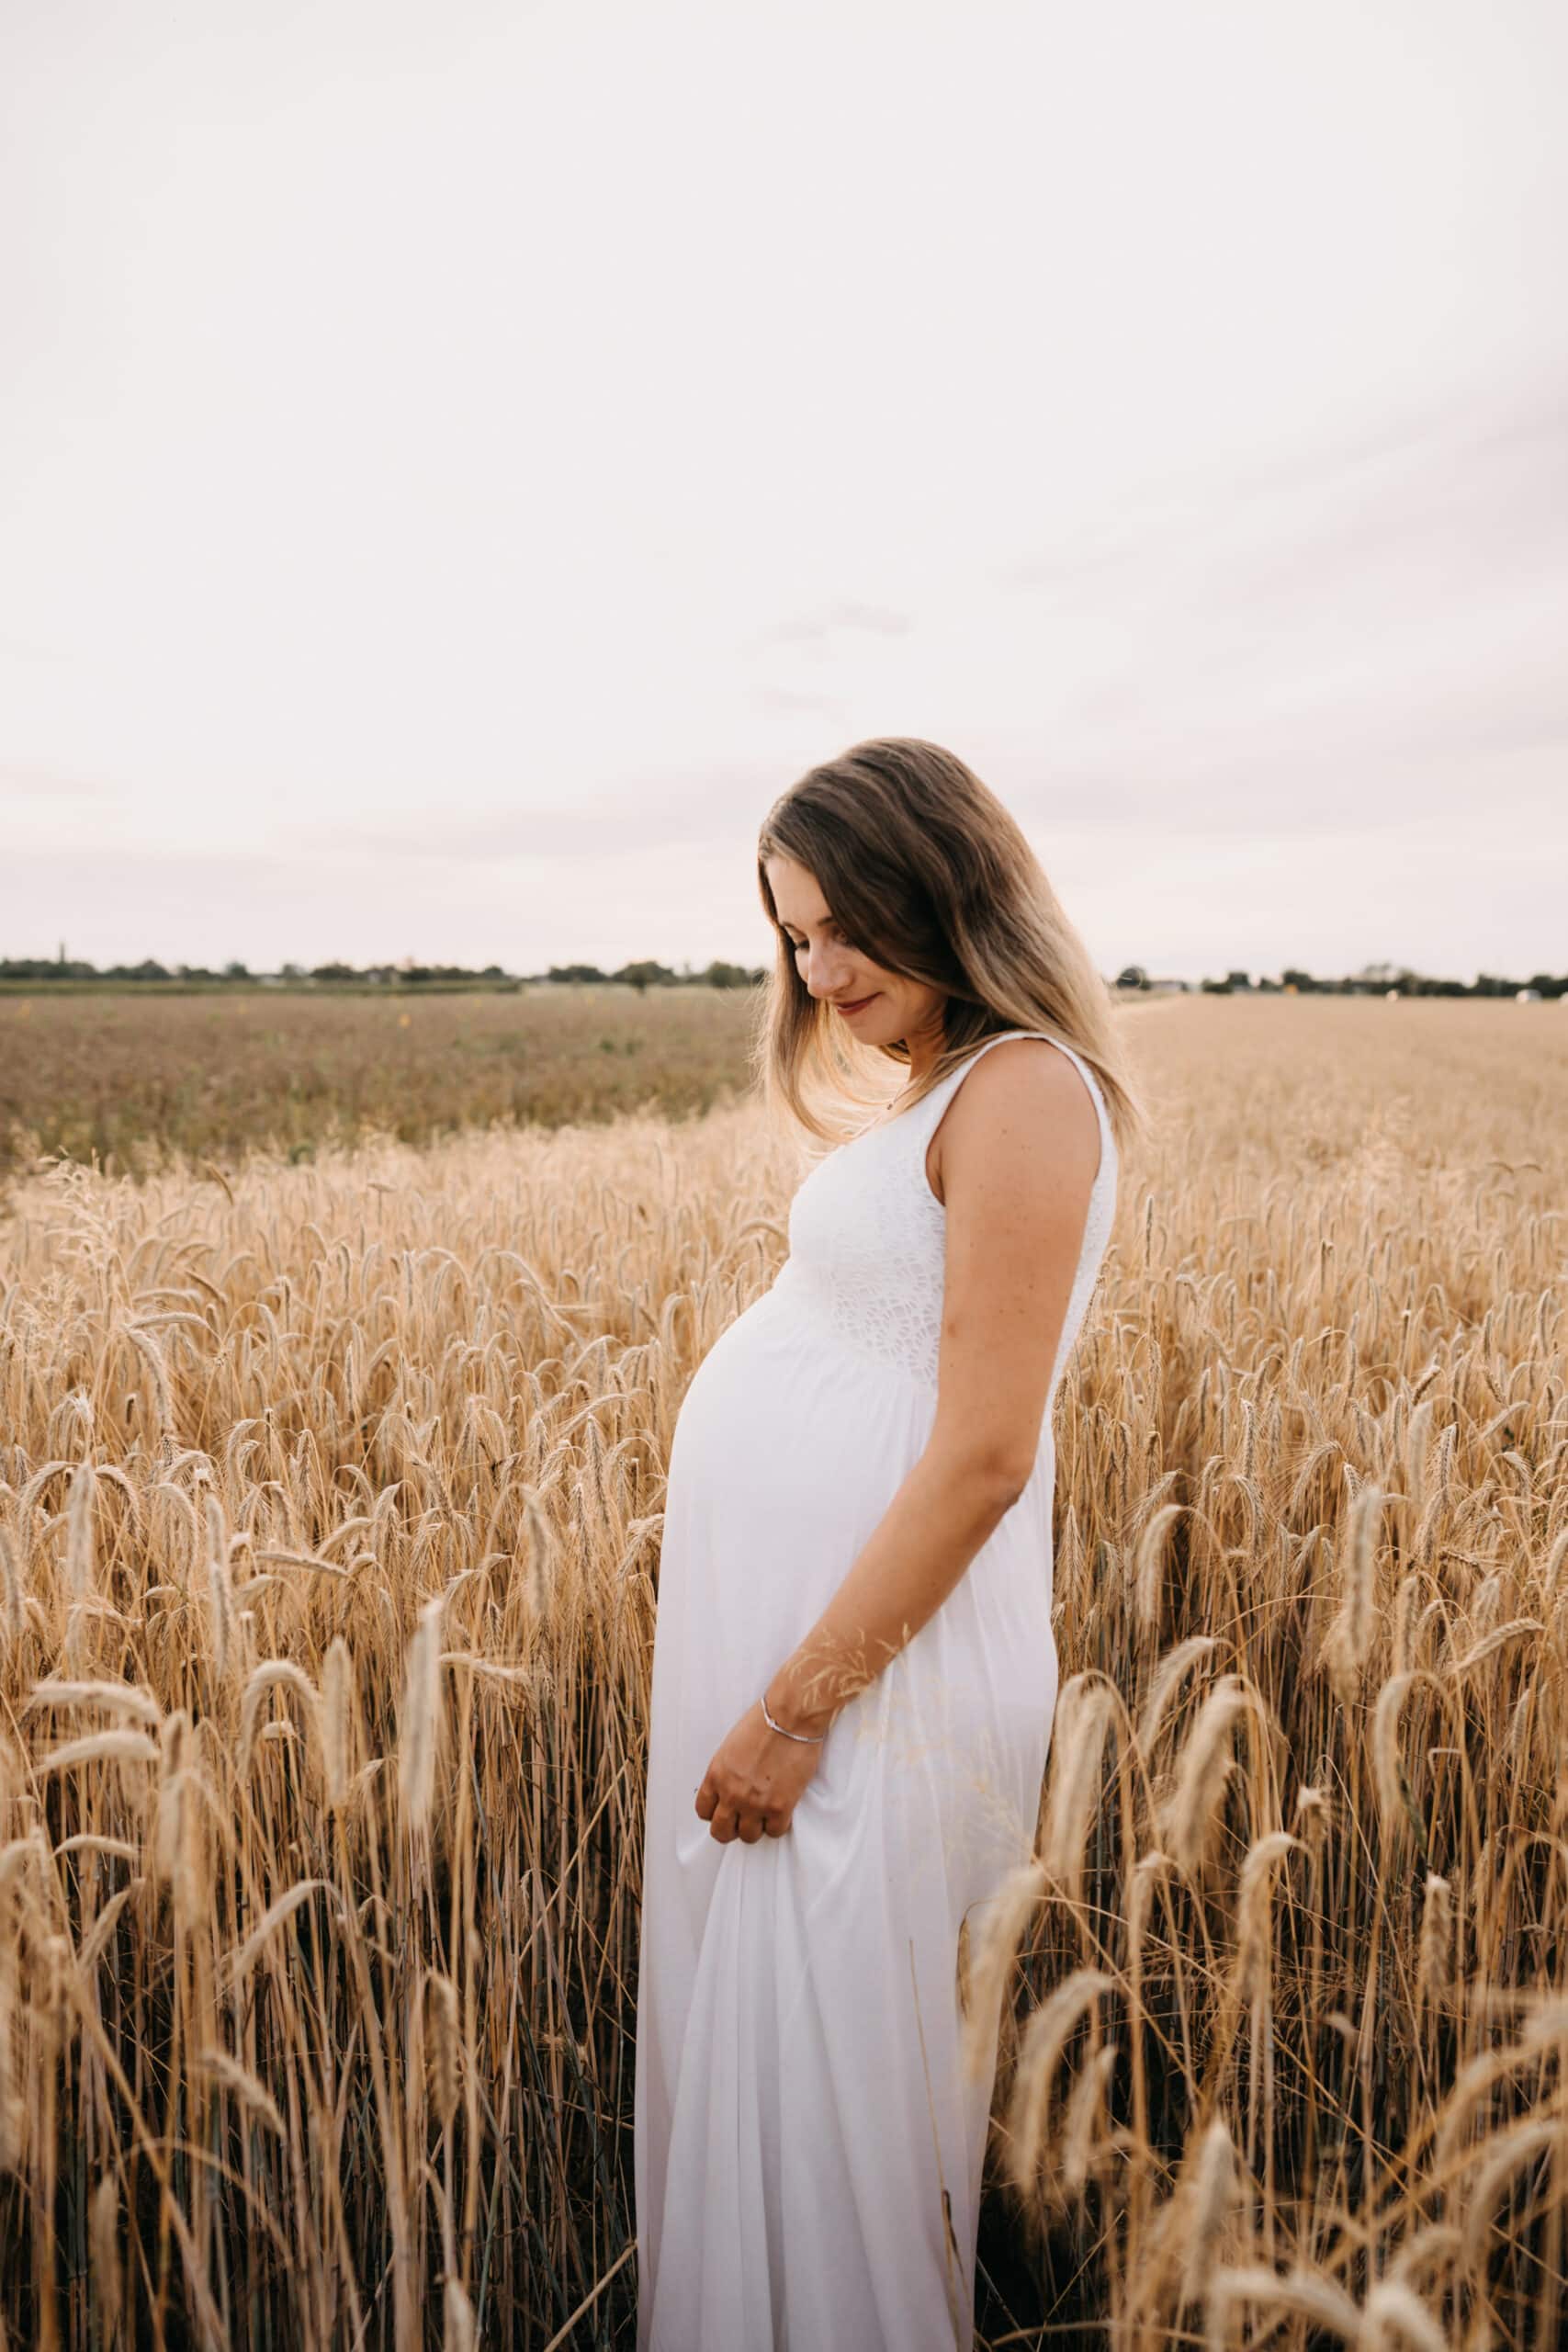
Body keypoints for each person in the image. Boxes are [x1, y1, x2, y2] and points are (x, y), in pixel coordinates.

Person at [633, 738, 1145, 2350]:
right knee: (783, 2084)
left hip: (879, 1684)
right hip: (830, 1657)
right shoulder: (952, 1088)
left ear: (952, 889)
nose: (819, 967)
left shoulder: (1029, 1089)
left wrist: (799, 1707)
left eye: (849, 924)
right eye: (794, 933)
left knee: (843, 2125)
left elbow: (989, 1453)